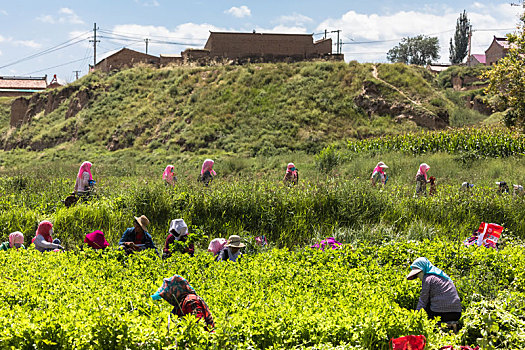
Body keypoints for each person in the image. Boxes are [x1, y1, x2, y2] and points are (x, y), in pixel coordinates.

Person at [407, 257, 462, 323]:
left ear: (423, 270)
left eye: (418, 274)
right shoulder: (441, 276)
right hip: (457, 313)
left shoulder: (428, 278)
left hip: (441, 314)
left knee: (426, 306)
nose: (418, 277)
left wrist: (416, 315)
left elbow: (423, 300)